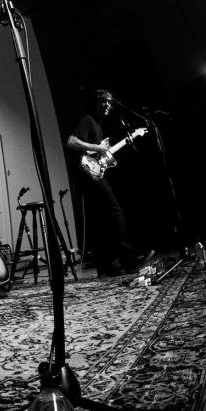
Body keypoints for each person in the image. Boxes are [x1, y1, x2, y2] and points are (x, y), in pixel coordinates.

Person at [65, 90, 153, 276]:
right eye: (104, 101)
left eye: (110, 103)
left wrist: (131, 137)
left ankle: (107, 266)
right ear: (96, 102)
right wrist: (97, 147)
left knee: (101, 221)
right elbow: (71, 142)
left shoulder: (98, 125)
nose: (108, 105)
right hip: (89, 174)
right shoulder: (87, 120)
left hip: (95, 174)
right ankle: (129, 259)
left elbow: (103, 154)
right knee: (114, 212)